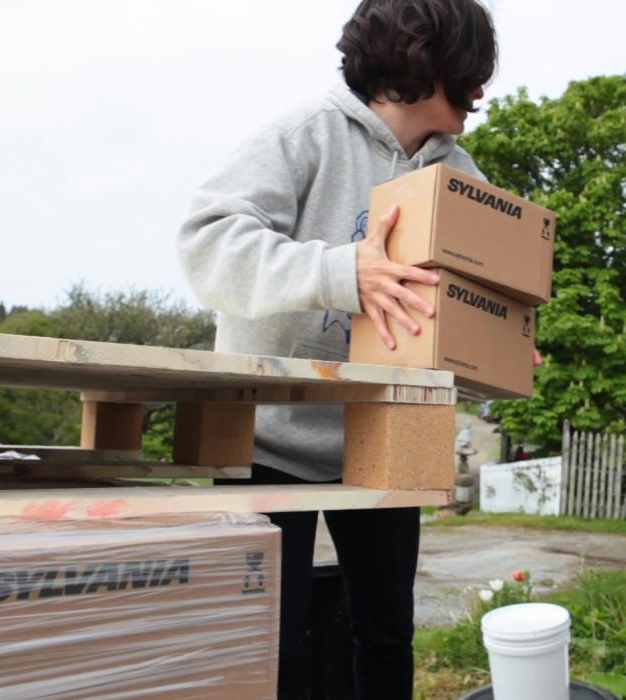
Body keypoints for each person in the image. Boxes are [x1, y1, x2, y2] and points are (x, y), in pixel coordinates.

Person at [177, 1, 497, 698]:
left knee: (385, 634)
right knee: (271, 634)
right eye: (472, 69)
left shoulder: (461, 175)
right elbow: (207, 247)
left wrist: (493, 349)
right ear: (426, 61)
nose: (483, 87)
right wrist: (340, 272)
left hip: (385, 432)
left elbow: (472, 306)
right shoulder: (304, 135)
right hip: (268, 433)